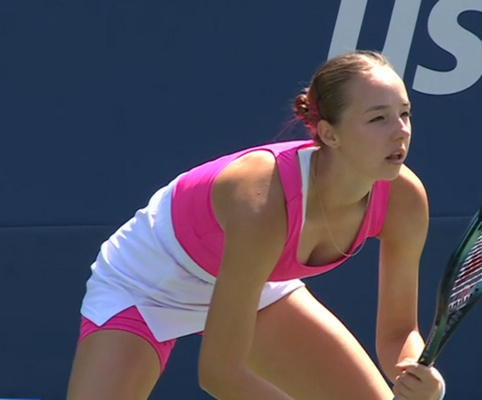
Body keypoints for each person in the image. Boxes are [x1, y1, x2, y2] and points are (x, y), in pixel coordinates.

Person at [66, 49, 446, 400]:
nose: (401, 130)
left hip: (257, 283)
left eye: (404, 113)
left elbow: (399, 333)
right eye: (378, 118)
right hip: (148, 284)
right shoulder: (262, 200)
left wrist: (416, 374)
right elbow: (219, 373)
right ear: (329, 134)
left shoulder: (405, 200)